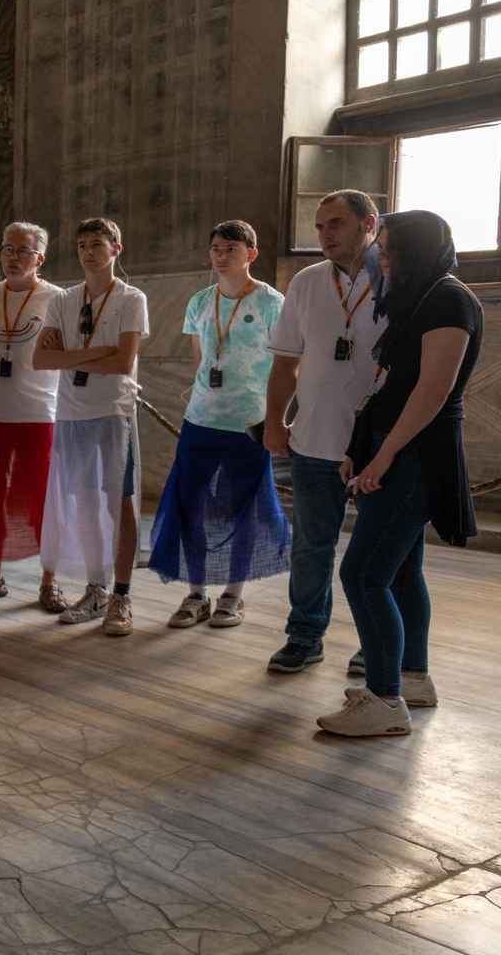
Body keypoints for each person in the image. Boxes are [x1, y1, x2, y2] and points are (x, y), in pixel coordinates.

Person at [318, 210, 482, 737]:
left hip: (414, 457)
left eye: (389, 249)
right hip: (393, 450)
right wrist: (357, 447)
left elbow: (432, 391)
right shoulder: (420, 299)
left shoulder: (449, 299)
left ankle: (384, 700)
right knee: (402, 573)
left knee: (362, 574)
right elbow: (387, 385)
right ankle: (412, 678)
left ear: (417, 248)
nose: (381, 258)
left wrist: (384, 456)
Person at [264, 190, 386, 674]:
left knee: (378, 552)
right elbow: (285, 362)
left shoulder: (397, 277)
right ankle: (305, 633)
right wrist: (275, 422)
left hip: (377, 446)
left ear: (368, 222)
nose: (325, 235)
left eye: (335, 223)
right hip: (314, 439)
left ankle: (375, 641)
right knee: (312, 544)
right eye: (319, 226)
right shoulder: (308, 281)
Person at [149, 220, 290, 627]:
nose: (220, 255)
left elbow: (287, 364)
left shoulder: (270, 303)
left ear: (251, 253)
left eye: (230, 248)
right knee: (189, 504)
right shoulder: (199, 301)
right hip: (201, 420)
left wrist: (277, 417)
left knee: (243, 509)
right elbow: (200, 359)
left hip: (250, 422)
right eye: (215, 248)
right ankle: (197, 593)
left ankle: (233, 595)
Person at [33, 218, 149, 636]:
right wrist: (96, 352)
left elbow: (123, 363)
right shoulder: (63, 300)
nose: (88, 252)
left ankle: (122, 593)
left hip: (113, 412)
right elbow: (40, 361)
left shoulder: (131, 298)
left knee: (118, 502)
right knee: (83, 503)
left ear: (116, 248)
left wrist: (72, 354)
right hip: (71, 412)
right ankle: (95, 588)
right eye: (82, 244)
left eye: (97, 244)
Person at [0, 222, 67, 612]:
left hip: (40, 413)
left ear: (40, 257)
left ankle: (49, 581)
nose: (13, 257)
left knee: (42, 500)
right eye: (7, 249)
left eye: (23, 250)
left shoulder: (59, 299)